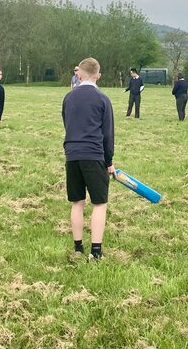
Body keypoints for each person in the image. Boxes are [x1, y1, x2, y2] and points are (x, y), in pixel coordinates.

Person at [62, 57, 115, 260]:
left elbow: (67, 123)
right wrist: (108, 162)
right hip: (94, 155)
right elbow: (108, 134)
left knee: (77, 202)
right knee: (99, 203)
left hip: (72, 154)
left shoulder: (69, 97)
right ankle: (96, 251)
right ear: (98, 76)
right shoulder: (102, 99)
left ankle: (77, 248)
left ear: (79, 74)